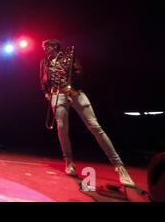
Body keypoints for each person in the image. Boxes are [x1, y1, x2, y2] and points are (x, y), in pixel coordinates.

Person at [40, 39, 135, 187]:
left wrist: (70, 76)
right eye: (44, 46)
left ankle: (120, 167)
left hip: (75, 92)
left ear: (55, 46)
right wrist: (46, 93)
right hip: (58, 95)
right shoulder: (44, 62)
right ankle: (69, 162)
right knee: (62, 128)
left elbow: (80, 73)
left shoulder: (69, 56)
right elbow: (43, 79)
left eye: (47, 46)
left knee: (95, 127)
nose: (45, 48)